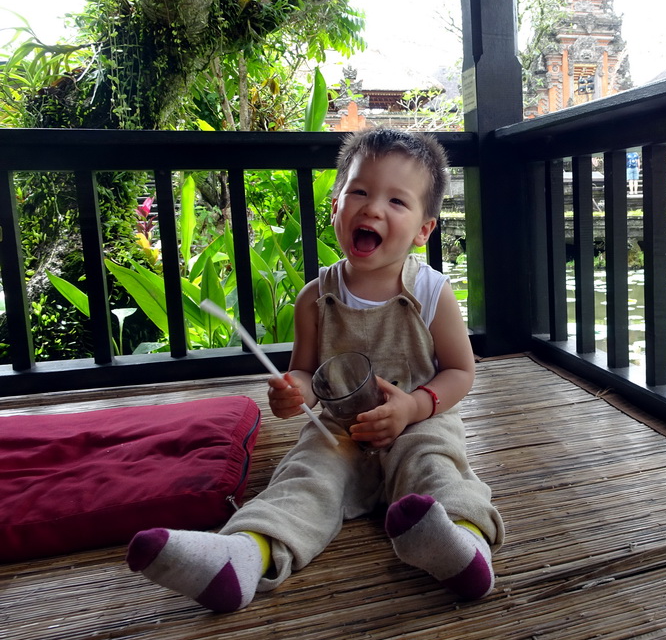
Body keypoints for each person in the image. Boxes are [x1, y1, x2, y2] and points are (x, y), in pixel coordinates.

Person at [126, 128, 504, 612]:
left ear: (423, 230)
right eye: (360, 192)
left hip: (419, 421)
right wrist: (294, 393)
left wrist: (413, 406)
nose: (372, 209)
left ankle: (463, 543)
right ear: (336, 207)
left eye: (396, 201)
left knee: (437, 467)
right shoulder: (315, 298)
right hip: (338, 431)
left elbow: (460, 372)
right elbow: (304, 372)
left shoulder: (430, 293)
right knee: (305, 477)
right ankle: (244, 554)